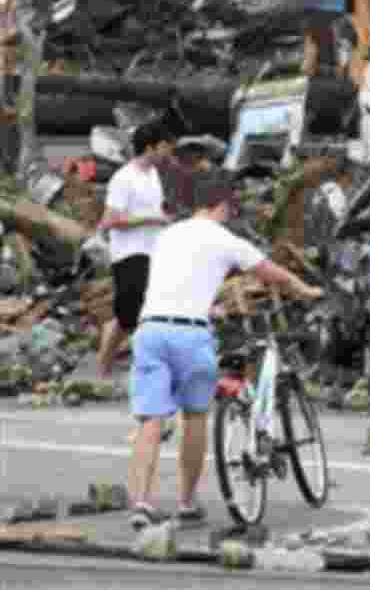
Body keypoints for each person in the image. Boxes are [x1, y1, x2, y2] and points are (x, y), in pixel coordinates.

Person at [126, 166, 323, 530]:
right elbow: (270, 272)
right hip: (190, 334)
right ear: (222, 206)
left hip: (150, 329)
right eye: (231, 208)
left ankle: (141, 502)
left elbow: (180, 278)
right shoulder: (225, 239)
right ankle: (186, 502)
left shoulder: (168, 235)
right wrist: (304, 289)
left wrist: (209, 304)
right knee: (195, 416)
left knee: (150, 420)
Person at [97, 119, 176, 381]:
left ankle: (140, 368)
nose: (168, 152)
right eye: (165, 146)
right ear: (151, 147)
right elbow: (110, 220)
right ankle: (104, 367)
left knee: (146, 311)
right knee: (128, 315)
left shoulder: (153, 175)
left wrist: (164, 218)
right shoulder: (123, 178)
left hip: (154, 250)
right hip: (129, 252)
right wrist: (150, 219)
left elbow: (155, 209)